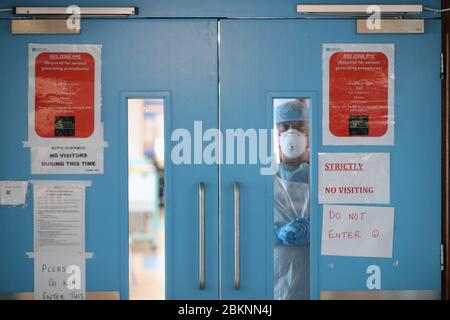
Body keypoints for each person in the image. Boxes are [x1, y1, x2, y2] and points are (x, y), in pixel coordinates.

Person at [273, 99, 310, 300]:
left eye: (298, 127)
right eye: (285, 127)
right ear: (277, 135)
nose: (291, 133)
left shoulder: (322, 176)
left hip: (312, 273)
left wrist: (316, 232)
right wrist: (275, 233)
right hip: (276, 272)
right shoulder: (266, 178)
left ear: (309, 134)